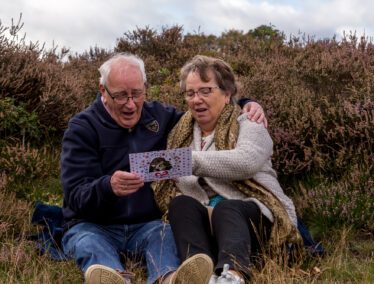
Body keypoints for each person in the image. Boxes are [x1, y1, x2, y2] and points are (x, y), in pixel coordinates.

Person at [60, 52, 267, 284]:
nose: (131, 104)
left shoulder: (160, 117)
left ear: (145, 87)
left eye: (137, 93)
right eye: (120, 96)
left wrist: (245, 103)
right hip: (94, 225)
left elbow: (204, 111)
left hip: (149, 224)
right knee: (89, 244)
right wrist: (108, 187)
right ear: (103, 92)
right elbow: (75, 196)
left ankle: (169, 279)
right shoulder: (82, 128)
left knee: (166, 235)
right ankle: (114, 278)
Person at [152, 55, 303, 284]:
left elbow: (246, 162)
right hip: (206, 219)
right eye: (190, 93)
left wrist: (187, 161)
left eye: (205, 91)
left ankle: (233, 274)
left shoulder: (249, 122)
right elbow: (181, 181)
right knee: (180, 204)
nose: (196, 100)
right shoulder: (180, 132)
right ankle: (198, 271)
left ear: (227, 93)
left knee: (228, 208)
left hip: (253, 215)